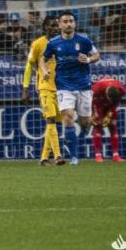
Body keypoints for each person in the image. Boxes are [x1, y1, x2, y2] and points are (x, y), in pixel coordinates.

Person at [40, 11, 100, 165]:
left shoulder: (84, 41)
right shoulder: (53, 43)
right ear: (60, 24)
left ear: (74, 23)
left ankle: (73, 140)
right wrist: (45, 70)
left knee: (85, 122)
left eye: (71, 21)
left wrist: (88, 59)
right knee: (67, 116)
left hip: (83, 85)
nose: (68, 24)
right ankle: (74, 156)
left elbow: (96, 55)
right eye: (65, 21)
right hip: (64, 85)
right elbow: (42, 59)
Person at [22, 16, 65, 166]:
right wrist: (25, 88)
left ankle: (44, 158)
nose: (56, 28)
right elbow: (29, 66)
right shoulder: (38, 44)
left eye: (57, 25)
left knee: (52, 122)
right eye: (52, 25)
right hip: (44, 87)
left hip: (61, 87)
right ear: (45, 27)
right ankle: (58, 156)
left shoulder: (62, 43)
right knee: (50, 119)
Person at [91, 77, 126, 162]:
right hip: (98, 103)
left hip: (112, 106)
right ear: (106, 94)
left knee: (113, 124)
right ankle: (98, 155)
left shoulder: (121, 89)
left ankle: (116, 155)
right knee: (97, 125)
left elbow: (116, 102)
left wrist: (110, 114)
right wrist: (93, 113)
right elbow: (90, 100)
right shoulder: (96, 89)